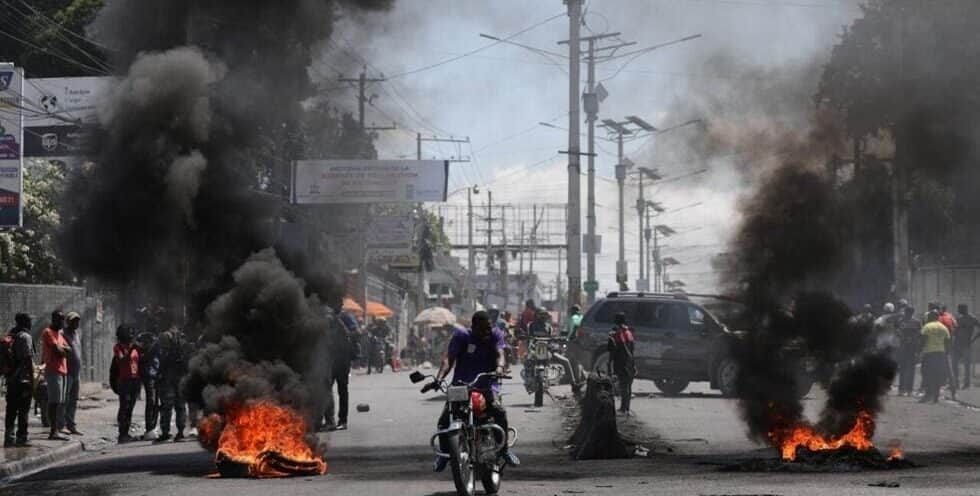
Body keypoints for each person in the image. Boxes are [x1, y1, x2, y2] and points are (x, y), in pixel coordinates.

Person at [430, 311, 519, 471]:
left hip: (487, 385)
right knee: (444, 420)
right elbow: (449, 359)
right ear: (474, 326)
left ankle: (504, 450)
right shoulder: (461, 336)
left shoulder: (496, 334)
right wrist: (439, 378)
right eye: (482, 329)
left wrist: (499, 368)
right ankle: (444, 454)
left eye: (488, 329)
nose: (486, 333)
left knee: (499, 412)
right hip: (460, 385)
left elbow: (500, 354)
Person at [4, 314, 35, 447]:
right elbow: (28, 359)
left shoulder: (10, 334)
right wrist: (33, 379)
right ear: (25, 322)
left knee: (11, 409)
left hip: (10, 379)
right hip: (23, 380)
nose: (31, 323)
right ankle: (22, 437)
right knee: (23, 409)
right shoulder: (25, 336)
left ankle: (8, 438)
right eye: (29, 321)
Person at [324, 305, 356, 431]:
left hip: (343, 359)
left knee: (342, 390)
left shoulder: (344, 316)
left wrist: (341, 324)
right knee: (326, 389)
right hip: (329, 359)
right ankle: (329, 420)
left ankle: (343, 420)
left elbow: (356, 332)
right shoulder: (325, 316)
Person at [41, 310, 70, 441]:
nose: (62, 322)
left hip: (62, 370)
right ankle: (53, 431)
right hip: (53, 370)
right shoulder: (48, 332)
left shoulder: (59, 334)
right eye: (60, 319)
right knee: (54, 402)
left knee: (59, 402)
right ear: (54, 319)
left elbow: (68, 350)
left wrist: (63, 349)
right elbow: (58, 351)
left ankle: (57, 429)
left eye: (63, 320)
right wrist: (62, 349)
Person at [155, 327, 188, 443]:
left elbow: (162, 363)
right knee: (180, 407)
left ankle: (165, 433)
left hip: (168, 380)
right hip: (180, 380)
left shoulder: (165, 345)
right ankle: (180, 433)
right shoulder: (182, 346)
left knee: (166, 407)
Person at [113, 326, 141, 443]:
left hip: (135, 380)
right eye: (128, 333)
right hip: (124, 381)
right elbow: (121, 360)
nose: (130, 335)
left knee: (130, 408)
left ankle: (126, 433)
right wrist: (130, 350)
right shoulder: (118, 347)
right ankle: (122, 434)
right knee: (124, 407)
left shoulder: (135, 347)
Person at [607, 312, 636, 415]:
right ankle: (626, 408)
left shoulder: (617, 333)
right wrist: (633, 362)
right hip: (629, 361)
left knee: (624, 385)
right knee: (628, 385)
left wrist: (610, 362)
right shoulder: (628, 332)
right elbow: (632, 348)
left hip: (621, 361)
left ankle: (624, 409)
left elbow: (616, 349)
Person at [920, 311, 951, 404]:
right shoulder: (943, 327)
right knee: (937, 375)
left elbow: (923, 340)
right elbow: (948, 341)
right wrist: (946, 353)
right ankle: (936, 397)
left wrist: (920, 351)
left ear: (930, 317)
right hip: (940, 354)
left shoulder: (927, 326)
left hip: (929, 353)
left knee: (926, 374)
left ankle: (928, 394)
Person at [61, 312, 84, 436]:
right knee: (65, 399)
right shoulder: (62, 334)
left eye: (77, 321)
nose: (76, 323)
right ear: (68, 322)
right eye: (74, 321)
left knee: (74, 400)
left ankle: (71, 424)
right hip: (67, 372)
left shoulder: (77, 334)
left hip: (76, 373)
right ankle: (62, 425)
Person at [136, 329, 160, 440]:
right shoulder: (143, 352)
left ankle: (153, 427)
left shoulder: (154, 351)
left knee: (155, 403)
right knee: (151, 401)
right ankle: (149, 428)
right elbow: (145, 360)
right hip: (148, 377)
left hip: (156, 377)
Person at [896, 306, 921, 396]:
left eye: (908, 312)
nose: (907, 314)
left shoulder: (903, 321)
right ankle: (905, 389)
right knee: (907, 369)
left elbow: (919, 335)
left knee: (907, 369)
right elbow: (919, 335)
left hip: (908, 348)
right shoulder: (914, 322)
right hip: (908, 348)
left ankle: (905, 390)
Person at [952, 304, 978, 389]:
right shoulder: (958, 318)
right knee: (954, 364)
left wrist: (973, 339)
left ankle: (966, 384)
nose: (958, 310)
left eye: (959, 309)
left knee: (966, 365)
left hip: (966, 344)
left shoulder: (972, 318)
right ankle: (956, 383)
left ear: (964, 309)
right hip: (957, 344)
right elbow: (955, 331)